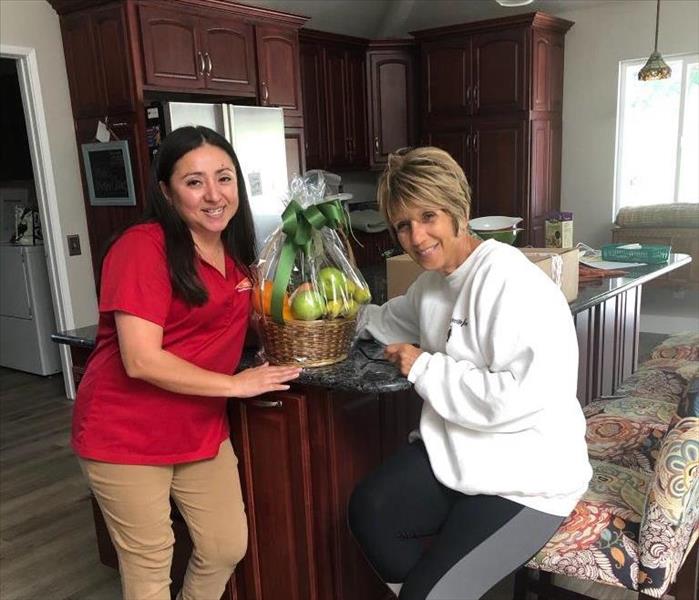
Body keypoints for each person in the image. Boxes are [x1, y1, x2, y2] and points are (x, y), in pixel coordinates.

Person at [348, 147, 592, 600]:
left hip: (531, 476)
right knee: (370, 509)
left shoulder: (511, 282)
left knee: (427, 595)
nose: (417, 236)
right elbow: (387, 319)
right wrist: (342, 314)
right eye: (403, 225)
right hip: (467, 454)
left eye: (428, 216)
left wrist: (424, 366)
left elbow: (518, 397)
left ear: (457, 208)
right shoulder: (431, 285)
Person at [72, 126, 301, 600]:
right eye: (194, 182)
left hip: (198, 426)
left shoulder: (235, 255)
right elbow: (139, 359)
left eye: (224, 177)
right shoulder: (143, 247)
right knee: (150, 564)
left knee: (224, 547)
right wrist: (237, 385)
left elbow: (228, 317)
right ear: (166, 192)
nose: (214, 195)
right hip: (126, 432)